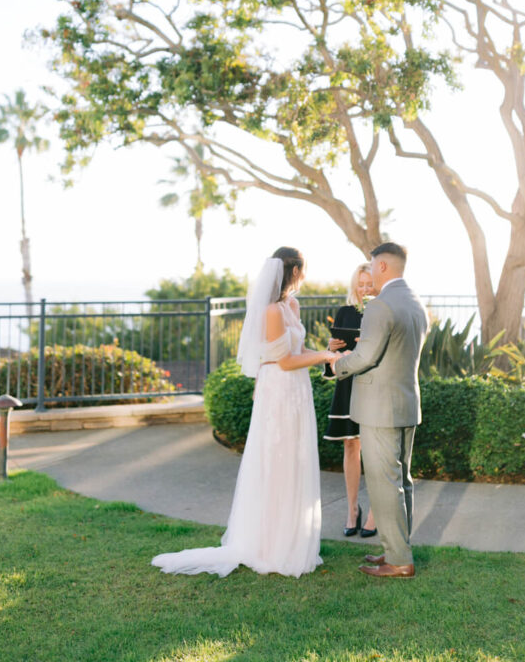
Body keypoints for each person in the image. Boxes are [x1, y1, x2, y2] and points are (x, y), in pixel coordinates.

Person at [152, 246, 339, 577]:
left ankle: (292, 538)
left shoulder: (291, 305)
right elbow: (283, 361)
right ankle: (269, 544)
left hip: (296, 388)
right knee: (277, 459)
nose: (305, 276)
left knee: (296, 458)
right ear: (293, 271)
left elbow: (298, 350)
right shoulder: (271, 312)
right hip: (279, 389)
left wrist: (326, 351)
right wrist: (324, 358)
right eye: (303, 269)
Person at [331, 242, 428, 578]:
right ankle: (396, 550)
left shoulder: (380, 305)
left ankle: (399, 560)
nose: (369, 273)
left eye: (372, 266)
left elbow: (365, 357)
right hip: (405, 404)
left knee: (385, 484)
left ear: (383, 266)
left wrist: (335, 365)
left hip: (379, 410)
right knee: (401, 481)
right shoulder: (415, 303)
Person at [324, 262, 377, 536]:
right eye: (361, 284)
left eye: (370, 284)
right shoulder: (344, 312)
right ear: (355, 286)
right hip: (348, 386)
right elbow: (334, 355)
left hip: (374, 386)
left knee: (375, 450)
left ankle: (374, 512)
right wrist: (331, 348)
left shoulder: (383, 312)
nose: (365, 289)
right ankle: (352, 509)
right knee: (350, 445)